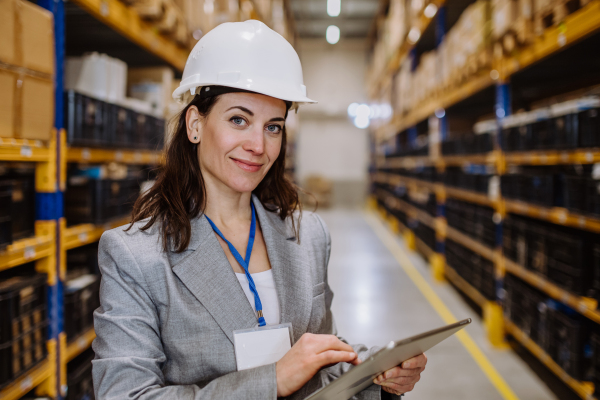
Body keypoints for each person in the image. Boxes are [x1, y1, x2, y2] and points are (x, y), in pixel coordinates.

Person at [92, 20, 427, 399]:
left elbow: (320, 365)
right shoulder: (135, 256)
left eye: (273, 127)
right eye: (239, 119)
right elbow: (124, 394)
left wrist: (373, 375)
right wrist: (271, 381)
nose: (258, 145)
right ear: (195, 124)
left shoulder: (307, 235)